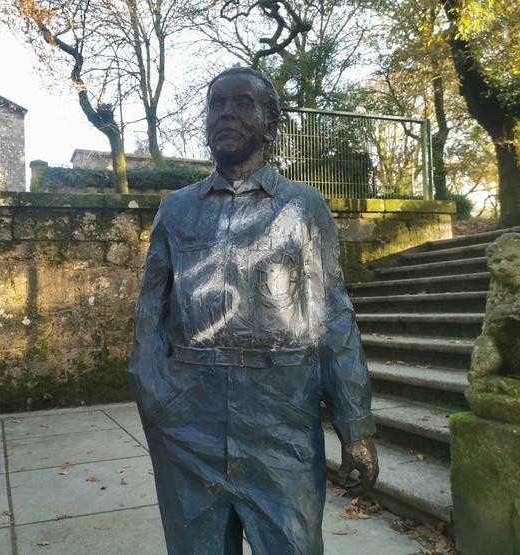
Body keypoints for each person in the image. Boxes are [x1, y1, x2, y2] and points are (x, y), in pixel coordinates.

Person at [127, 67, 378, 555]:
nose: (227, 114)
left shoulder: (304, 208)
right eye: (217, 105)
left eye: (243, 104)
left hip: (280, 420)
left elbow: (333, 317)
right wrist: (155, 399)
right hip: (187, 422)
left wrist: (355, 426)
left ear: (270, 124)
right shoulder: (176, 210)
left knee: (292, 545)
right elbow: (149, 315)